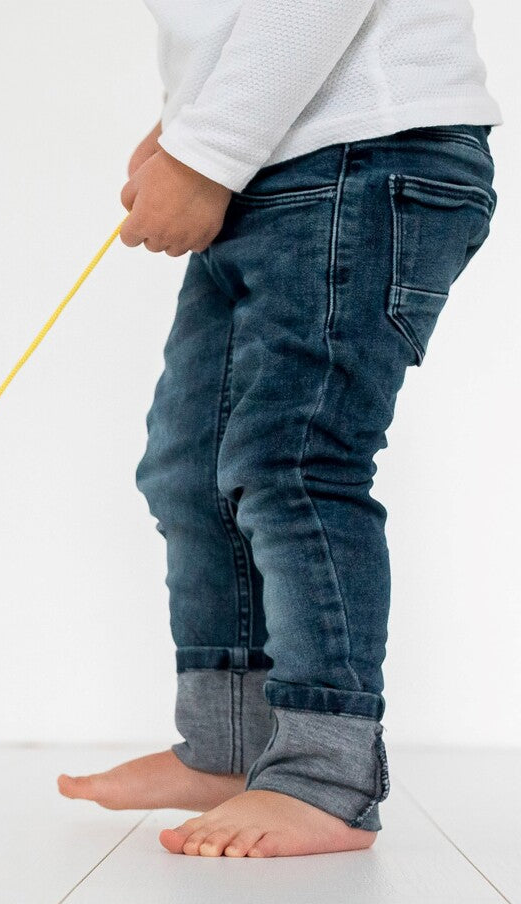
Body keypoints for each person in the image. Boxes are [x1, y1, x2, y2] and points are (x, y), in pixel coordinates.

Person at [58, 0, 501, 857]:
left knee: (294, 464)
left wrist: (206, 150)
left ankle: (323, 778)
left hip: (365, 153)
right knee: (189, 467)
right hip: (274, 157)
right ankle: (233, 746)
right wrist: (190, 126)